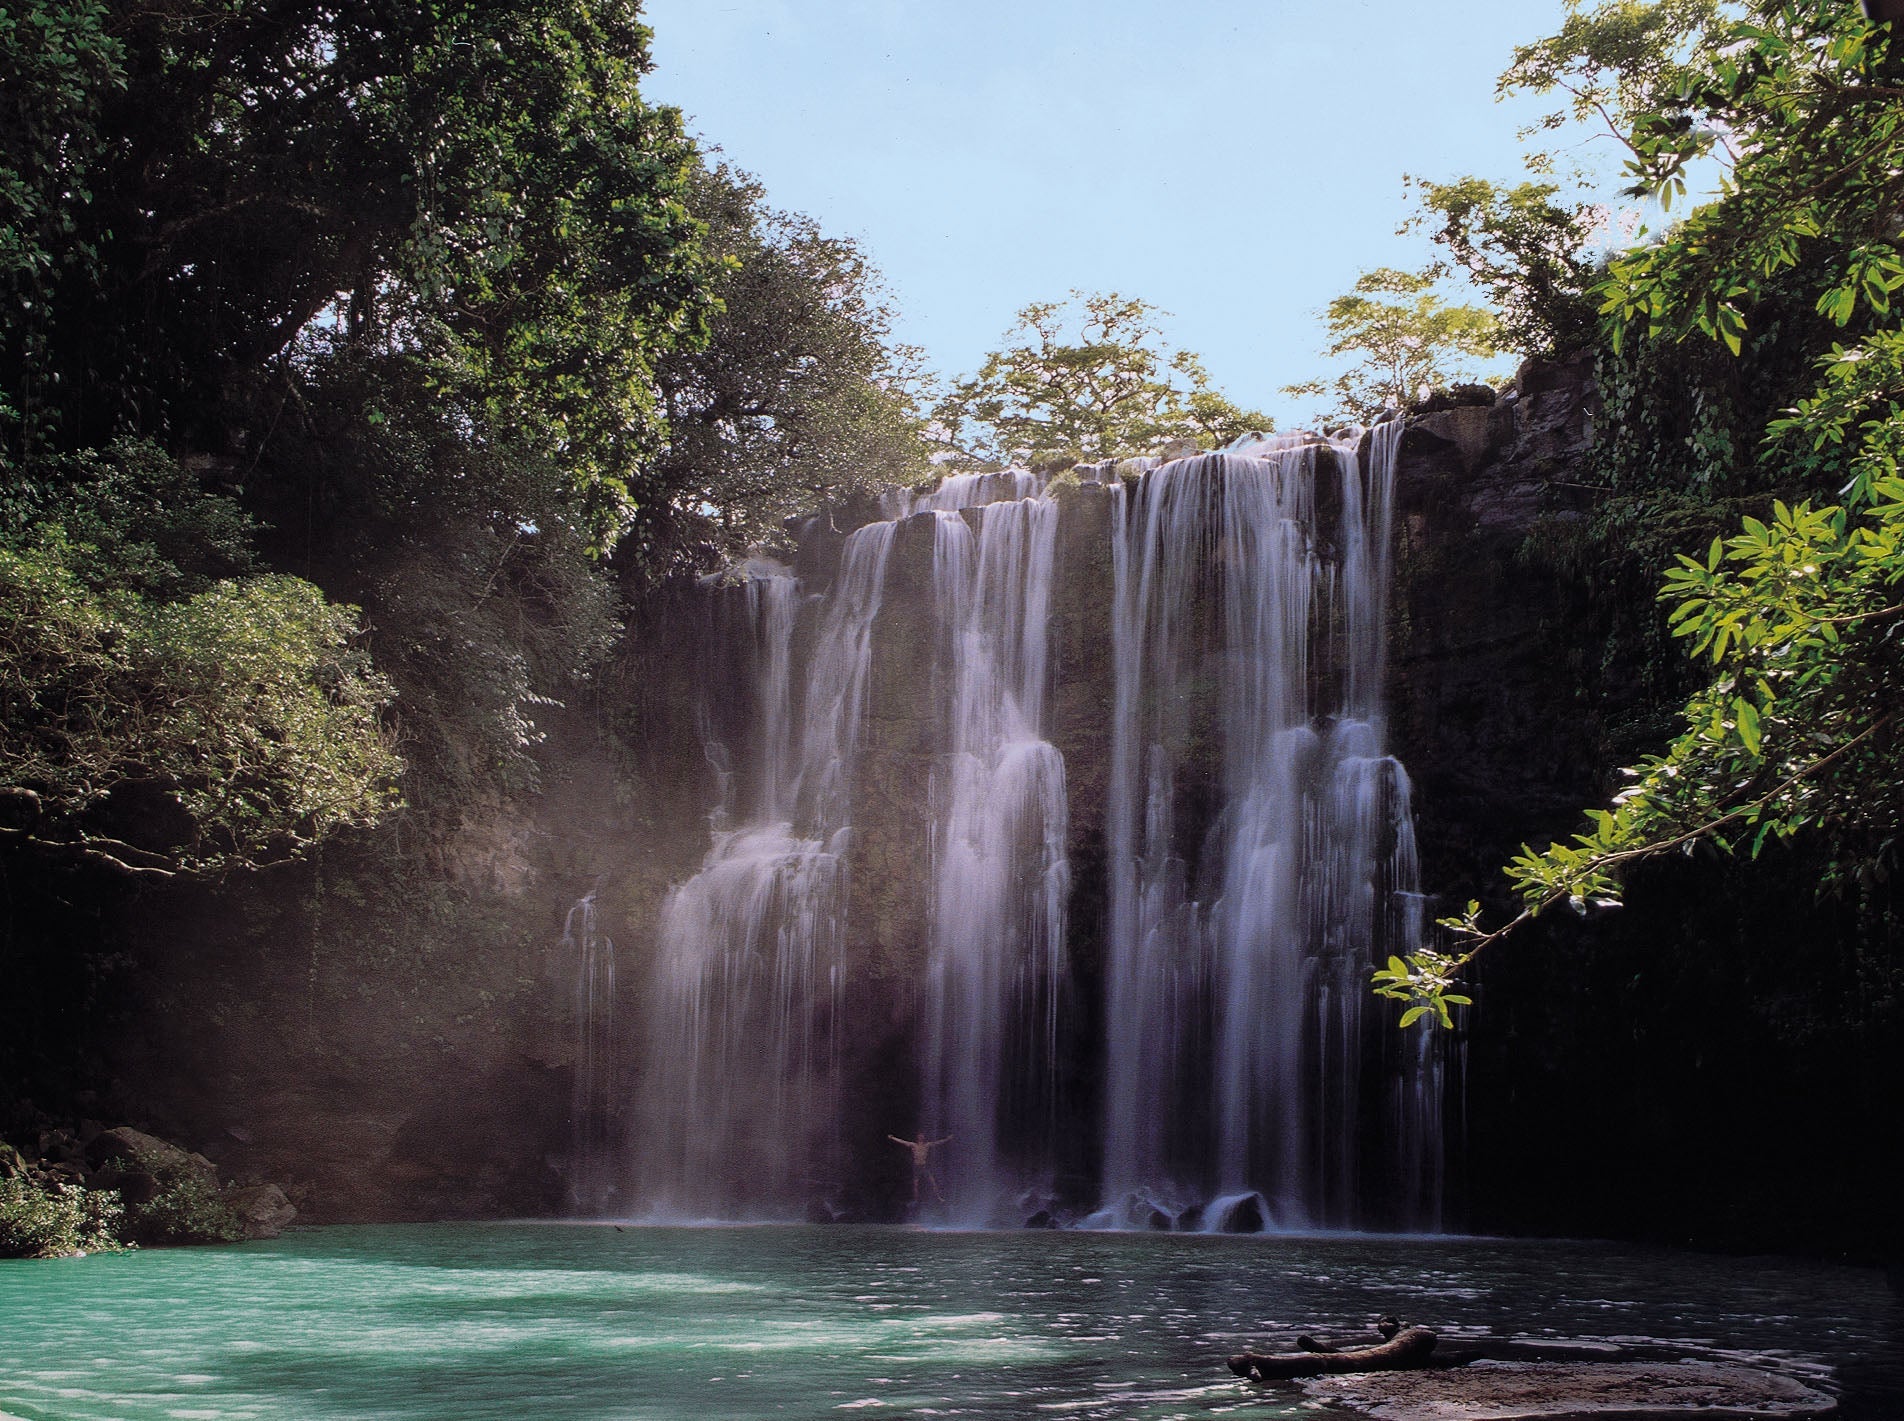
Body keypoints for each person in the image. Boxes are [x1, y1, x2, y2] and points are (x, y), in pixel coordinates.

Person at [887, 1132, 951, 1203]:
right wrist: (892, 1138)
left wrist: (947, 1139)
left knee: (933, 1182)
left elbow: (937, 1142)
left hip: (923, 1166)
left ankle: (938, 1197)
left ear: (924, 1137)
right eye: (919, 1136)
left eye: (922, 1136)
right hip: (916, 1167)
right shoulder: (913, 1145)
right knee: (916, 1185)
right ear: (917, 1137)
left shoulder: (927, 1145)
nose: (921, 1137)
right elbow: (902, 1142)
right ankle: (915, 1200)